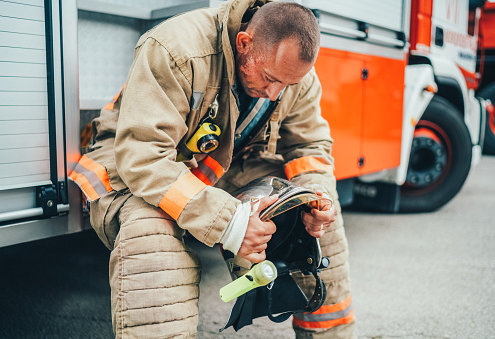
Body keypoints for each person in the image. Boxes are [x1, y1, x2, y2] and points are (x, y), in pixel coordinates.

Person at [70, 0, 354, 337]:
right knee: (153, 240)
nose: (274, 94)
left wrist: (316, 199)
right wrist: (231, 222)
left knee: (320, 230)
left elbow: (310, 148)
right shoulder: (176, 48)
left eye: (286, 86)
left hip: (219, 166)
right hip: (137, 167)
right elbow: (143, 156)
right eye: (268, 78)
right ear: (244, 43)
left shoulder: (292, 72)